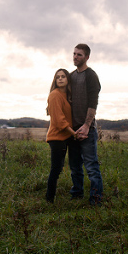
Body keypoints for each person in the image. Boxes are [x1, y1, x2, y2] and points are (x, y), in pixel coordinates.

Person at [68, 43, 104, 205]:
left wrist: (87, 126)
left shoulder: (91, 76)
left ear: (87, 57)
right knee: (75, 166)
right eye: (74, 54)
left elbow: (93, 103)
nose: (75, 57)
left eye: (79, 55)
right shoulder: (71, 76)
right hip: (73, 130)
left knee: (91, 167)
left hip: (87, 130)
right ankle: (76, 194)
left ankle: (95, 200)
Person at [45, 68, 76, 202]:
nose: (60, 79)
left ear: (68, 79)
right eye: (58, 77)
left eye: (63, 76)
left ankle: (76, 194)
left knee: (73, 166)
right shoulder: (55, 95)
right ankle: (49, 199)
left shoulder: (68, 95)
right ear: (55, 80)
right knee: (56, 169)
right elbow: (58, 120)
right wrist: (74, 133)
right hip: (57, 137)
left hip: (67, 136)